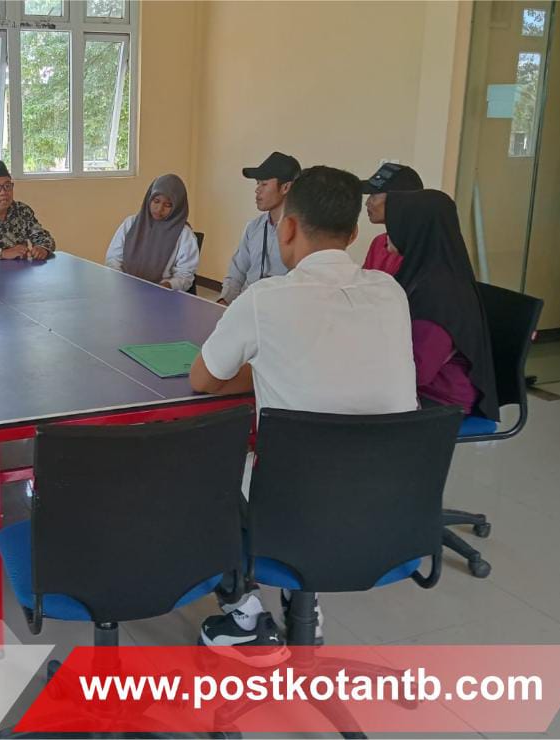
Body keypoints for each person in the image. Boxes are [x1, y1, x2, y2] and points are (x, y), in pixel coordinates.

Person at [191, 166, 418, 648]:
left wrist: (260, 366)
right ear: (353, 235)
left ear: (287, 227)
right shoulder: (391, 292)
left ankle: (243, 612)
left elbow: (203, 379)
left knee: (198, 471)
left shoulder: (264, 299)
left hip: (295, 508)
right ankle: (304, 606)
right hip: (392, 506)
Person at [386, 189, 500, 420]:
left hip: (442, 400)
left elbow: (419, 371)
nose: (387, 233)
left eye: (393, 224)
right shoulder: (422, 271)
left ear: (414, 228)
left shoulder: (439, 293)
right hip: (417, 388)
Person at [217, 152, 301, 305]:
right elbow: (237, 273)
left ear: (285, 187)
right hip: (247, 304)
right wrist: (224, 300)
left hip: (279, 309)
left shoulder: (303, 233)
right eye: (257, 183)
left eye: (264, 184)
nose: (257, 190)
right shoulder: (253, 228)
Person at [104, 174, 200, 291]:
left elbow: (185, 275)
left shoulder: (185, 235)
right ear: (148, 199)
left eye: (168, 205)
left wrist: (168, 286)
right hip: (125, 288)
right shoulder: (131, 223)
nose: (159, 209)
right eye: (156, 201)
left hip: (161, 294)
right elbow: (113, 259)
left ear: (177, 206)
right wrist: (121, 280)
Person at [360, 162, 424, 275]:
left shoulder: (420, 246)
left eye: (373, 195)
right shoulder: (379, 242)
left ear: (398, 199)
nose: (367, 203)